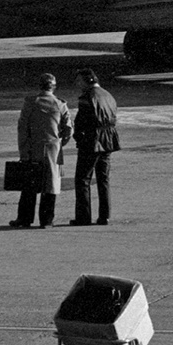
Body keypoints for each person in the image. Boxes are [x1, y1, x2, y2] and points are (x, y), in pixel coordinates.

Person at [10, 73, 70, 228]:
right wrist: (59, 143)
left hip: (33, 147)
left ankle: (24, 219)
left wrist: (23, 151)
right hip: (53, 149)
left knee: (29, 185)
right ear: (54, 87)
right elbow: (69, 129)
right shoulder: (60, 104)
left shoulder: (30, 103)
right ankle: (47, 220)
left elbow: (22, 129)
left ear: (40, 86)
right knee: (51, 185)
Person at [70, 67, 120, 226]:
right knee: (103, 178)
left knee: (83, 179)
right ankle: (105, 216)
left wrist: (78, 137)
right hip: (109, 139)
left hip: (92, 139)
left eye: (79, 81)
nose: (77, 84)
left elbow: (81, 121)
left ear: (87, 81)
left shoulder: (86, 97)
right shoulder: (108, 95)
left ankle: (83, 217)